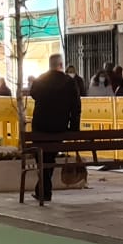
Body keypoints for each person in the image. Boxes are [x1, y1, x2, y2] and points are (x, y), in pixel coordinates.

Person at [28, 54, 82, 203]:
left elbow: (33, 94)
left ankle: (44, 191)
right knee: (50, 156)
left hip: (40, 125)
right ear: (61, 65)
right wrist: (74, 128)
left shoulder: (40, 80)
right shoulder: (69, 82)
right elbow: (76, 107)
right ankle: (44, 191)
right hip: (59, 127)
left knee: (43, 158)